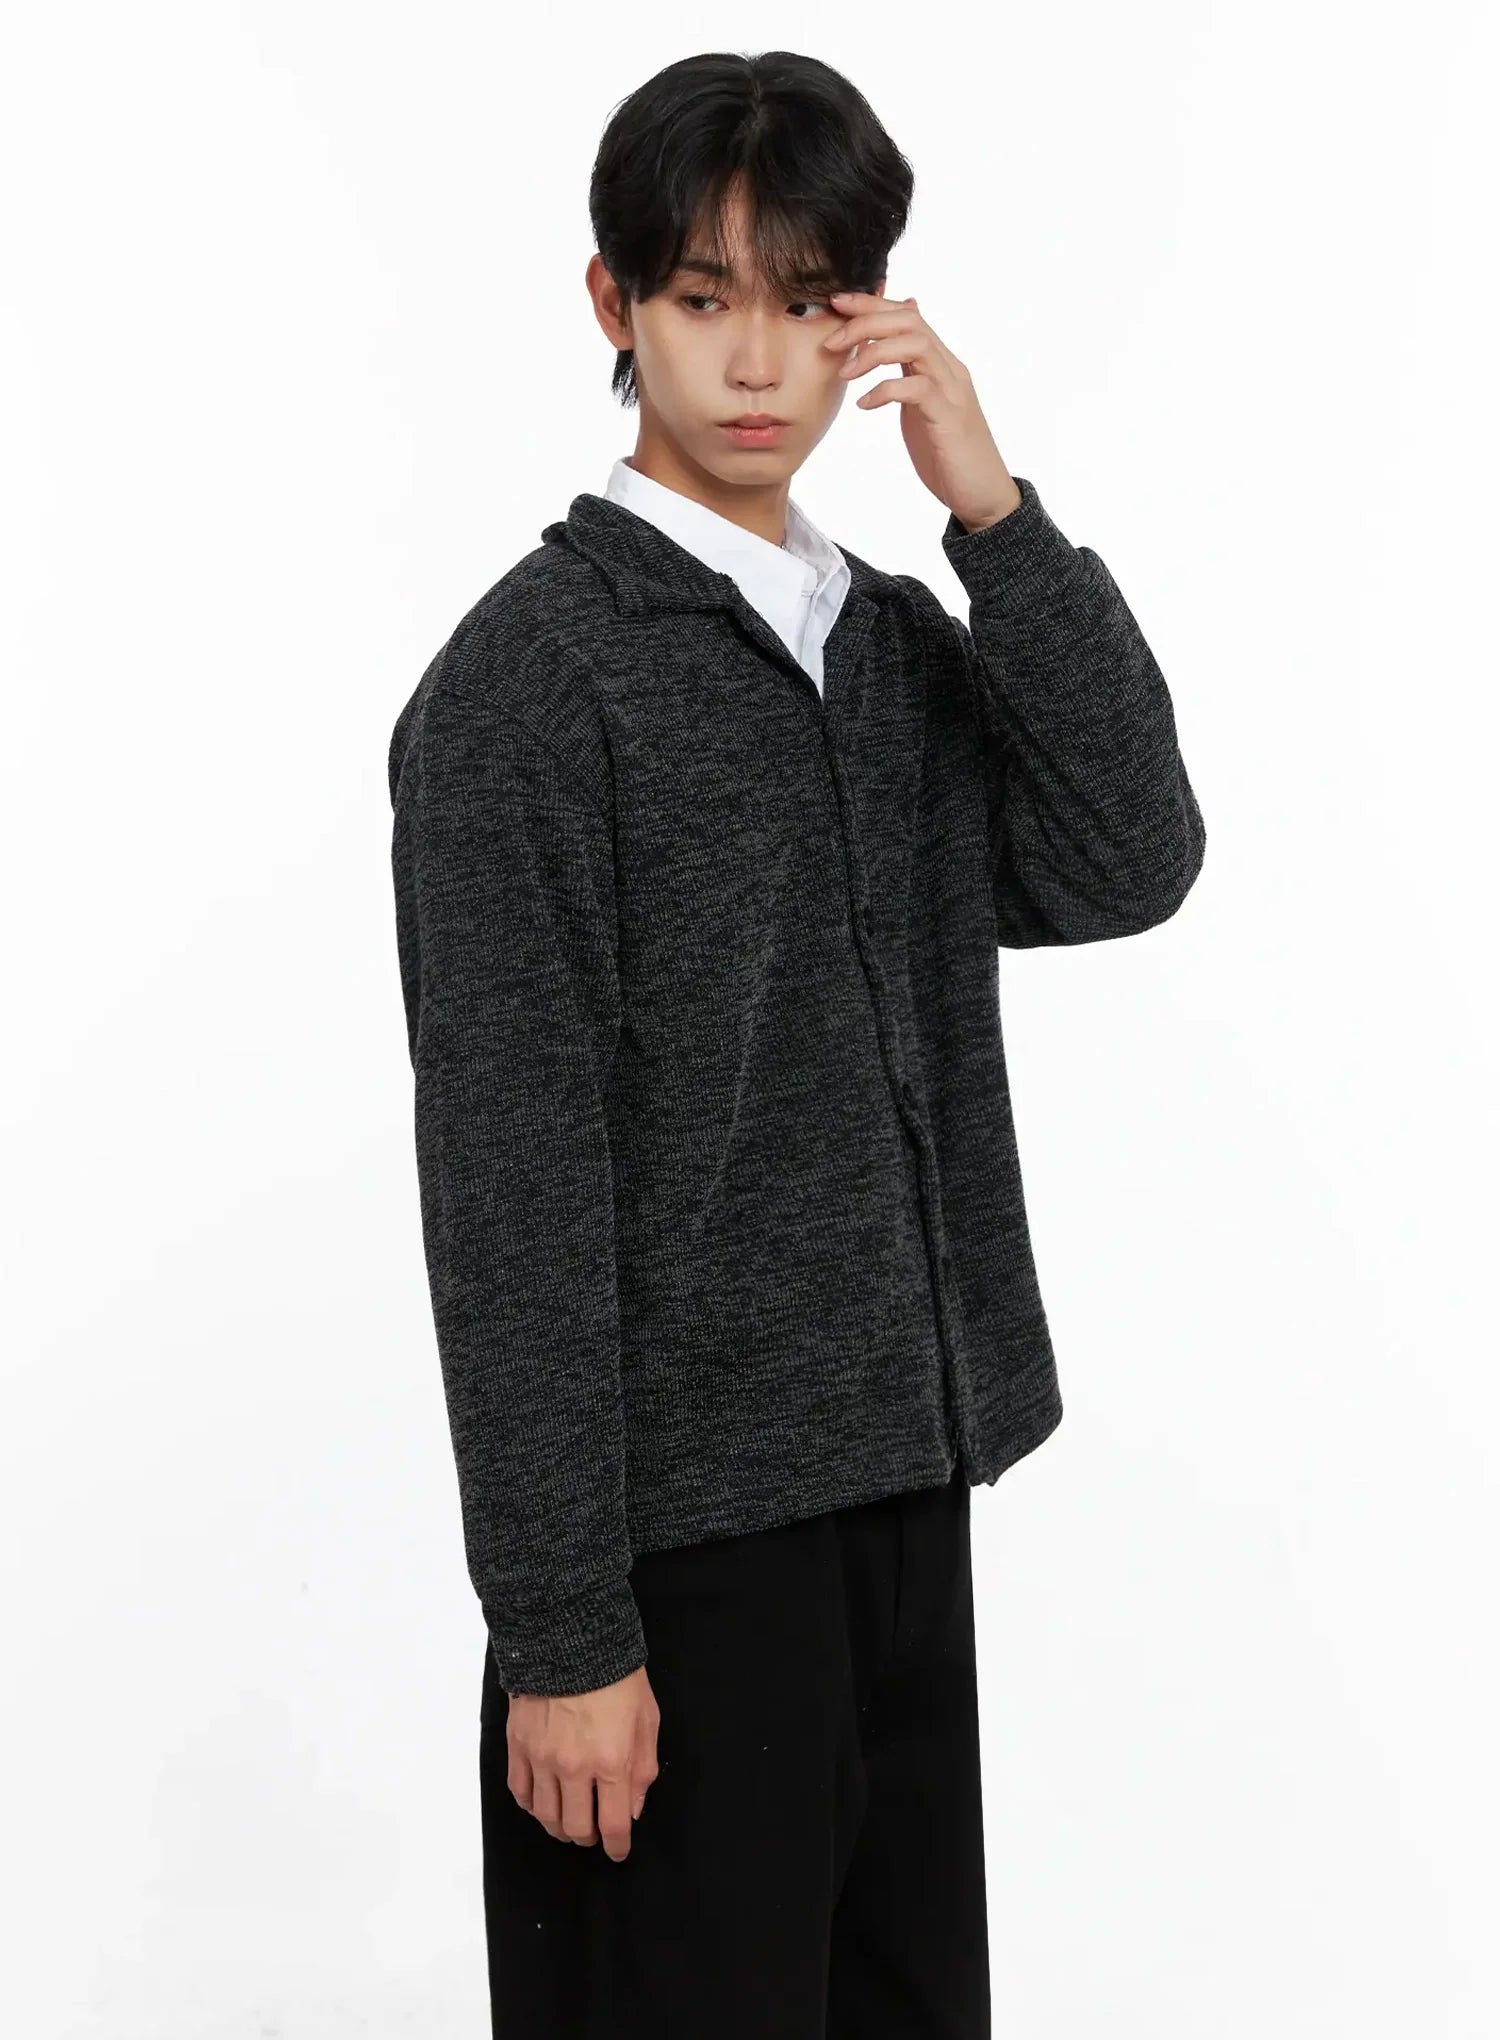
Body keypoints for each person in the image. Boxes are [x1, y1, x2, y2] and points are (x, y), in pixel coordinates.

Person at [386, 47, 1206, 2039]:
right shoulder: (527, 693)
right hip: (677, 1562)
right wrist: (561, 1630)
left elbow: (1129, 855)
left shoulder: (890, 649)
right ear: (613, 303)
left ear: (871, 315)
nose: (757, 362)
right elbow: (510, 1196)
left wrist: (996, 518)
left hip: (907, 1502)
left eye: (808, 301)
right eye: (701, 298)